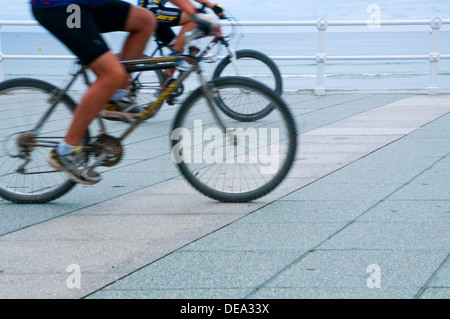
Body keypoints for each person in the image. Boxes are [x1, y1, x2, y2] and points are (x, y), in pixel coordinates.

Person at [30, 0, 157, 184]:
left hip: (91, 5)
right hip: (63, 7)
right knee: (111, 74)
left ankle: (115, 97)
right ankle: (66, 151)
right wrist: (192, 12)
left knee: (145, 20)